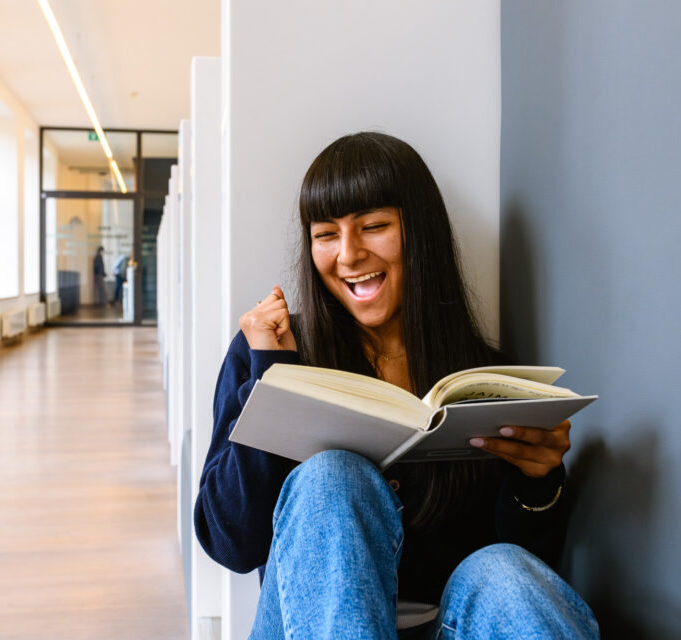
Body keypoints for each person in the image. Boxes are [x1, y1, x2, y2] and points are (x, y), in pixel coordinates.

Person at [195, 132, 598, 639]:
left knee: (505, 573)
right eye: (325, 235)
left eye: (374, 226)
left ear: (419, 233)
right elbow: (231, 544)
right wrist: (269, 375)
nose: (348, 254)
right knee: (333, 477)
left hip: (447, 622)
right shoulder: (272, 354)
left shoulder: (481, 378)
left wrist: (537, 482)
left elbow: (521, 572)